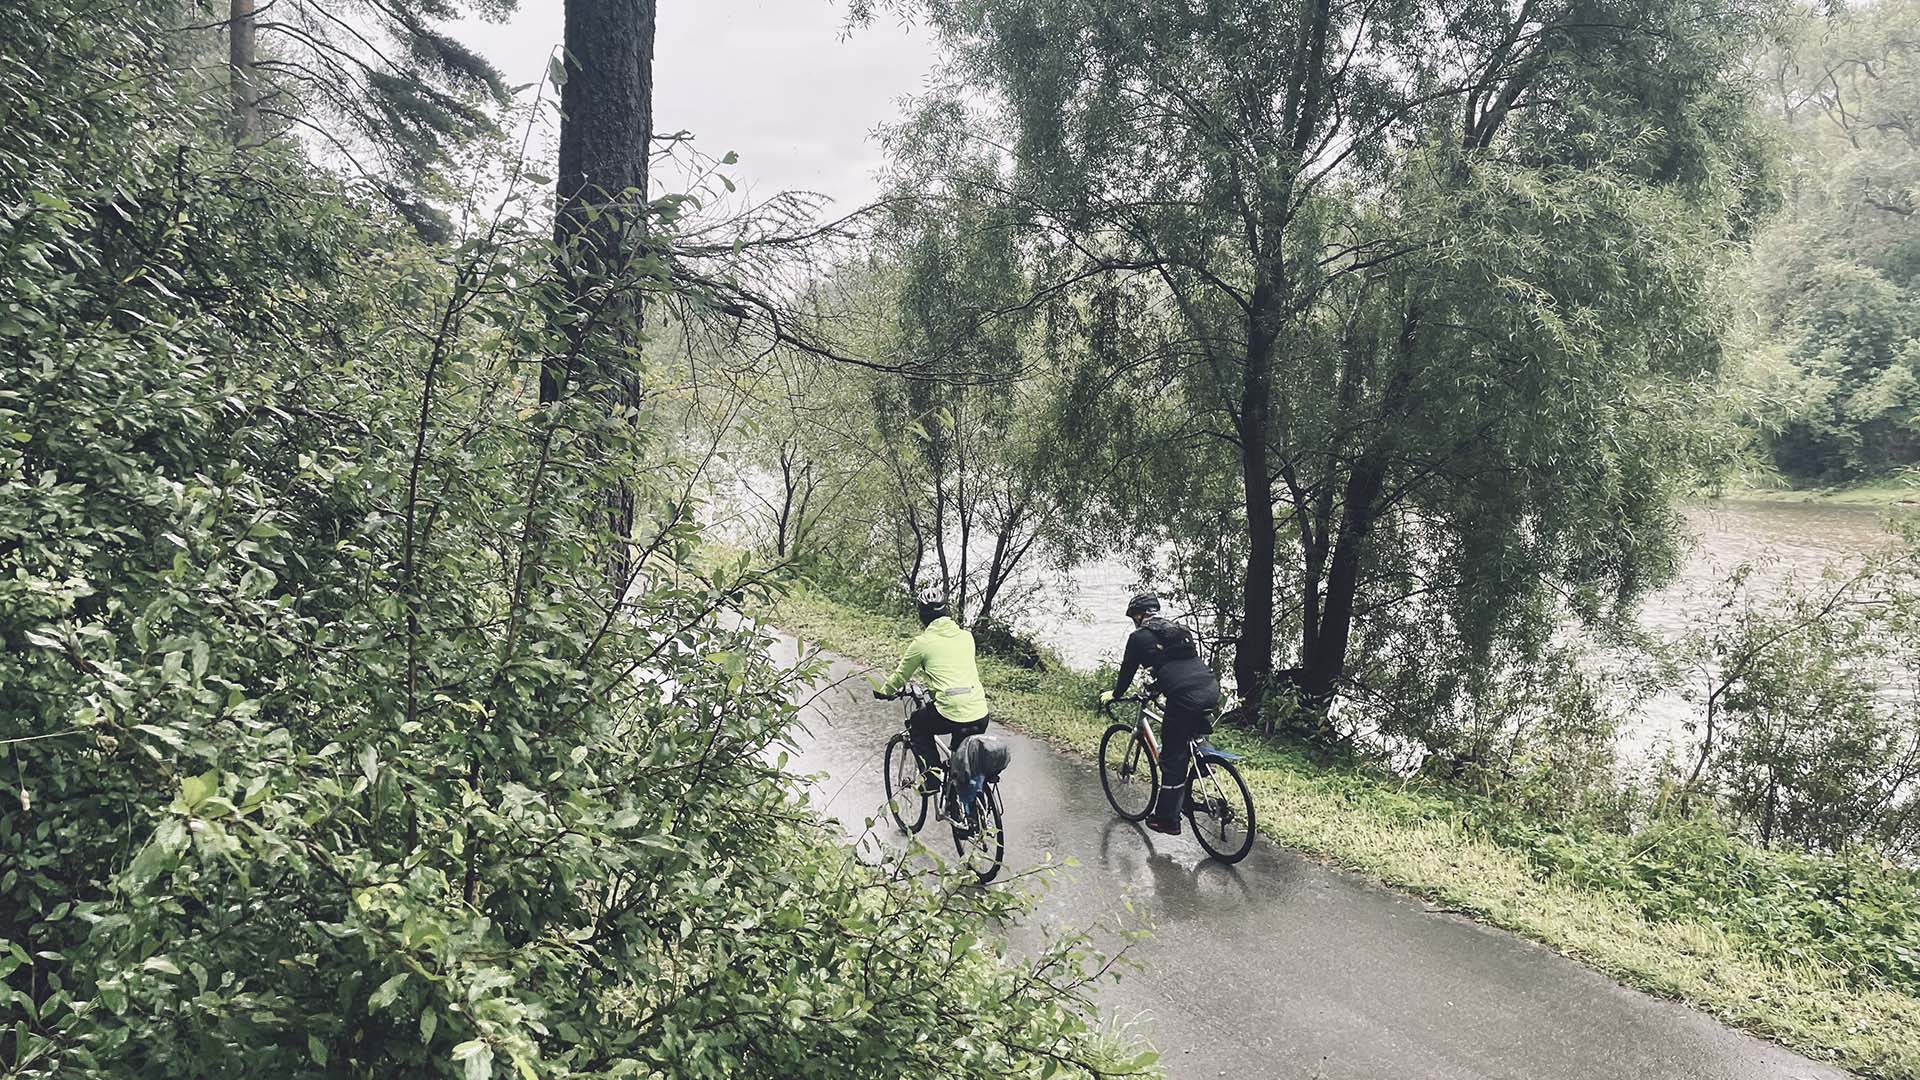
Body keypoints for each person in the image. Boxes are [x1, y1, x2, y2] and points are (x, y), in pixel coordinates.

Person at [1100, 592, 1220, 835]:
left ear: (1138, 615)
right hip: (1209, 687)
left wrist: (1116, 693)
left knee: (1171, 758)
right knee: (1189, 729)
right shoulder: (1179, 631)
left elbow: (1127, 671)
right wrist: (1157, 687)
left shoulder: (1138, 638)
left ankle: (1167, 820)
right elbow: (1178, 665)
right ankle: (1204, 760)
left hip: (1184, 695)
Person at [874, 587, 991, 815]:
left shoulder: (922, 643)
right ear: (946, 611)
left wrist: (885, 691)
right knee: (960, 759)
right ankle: (958, 806)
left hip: (950, 712)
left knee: (917, 724)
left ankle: (932, 778)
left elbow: (900, 677)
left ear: (922, 615)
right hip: (979, 711)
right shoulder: (967, 637)